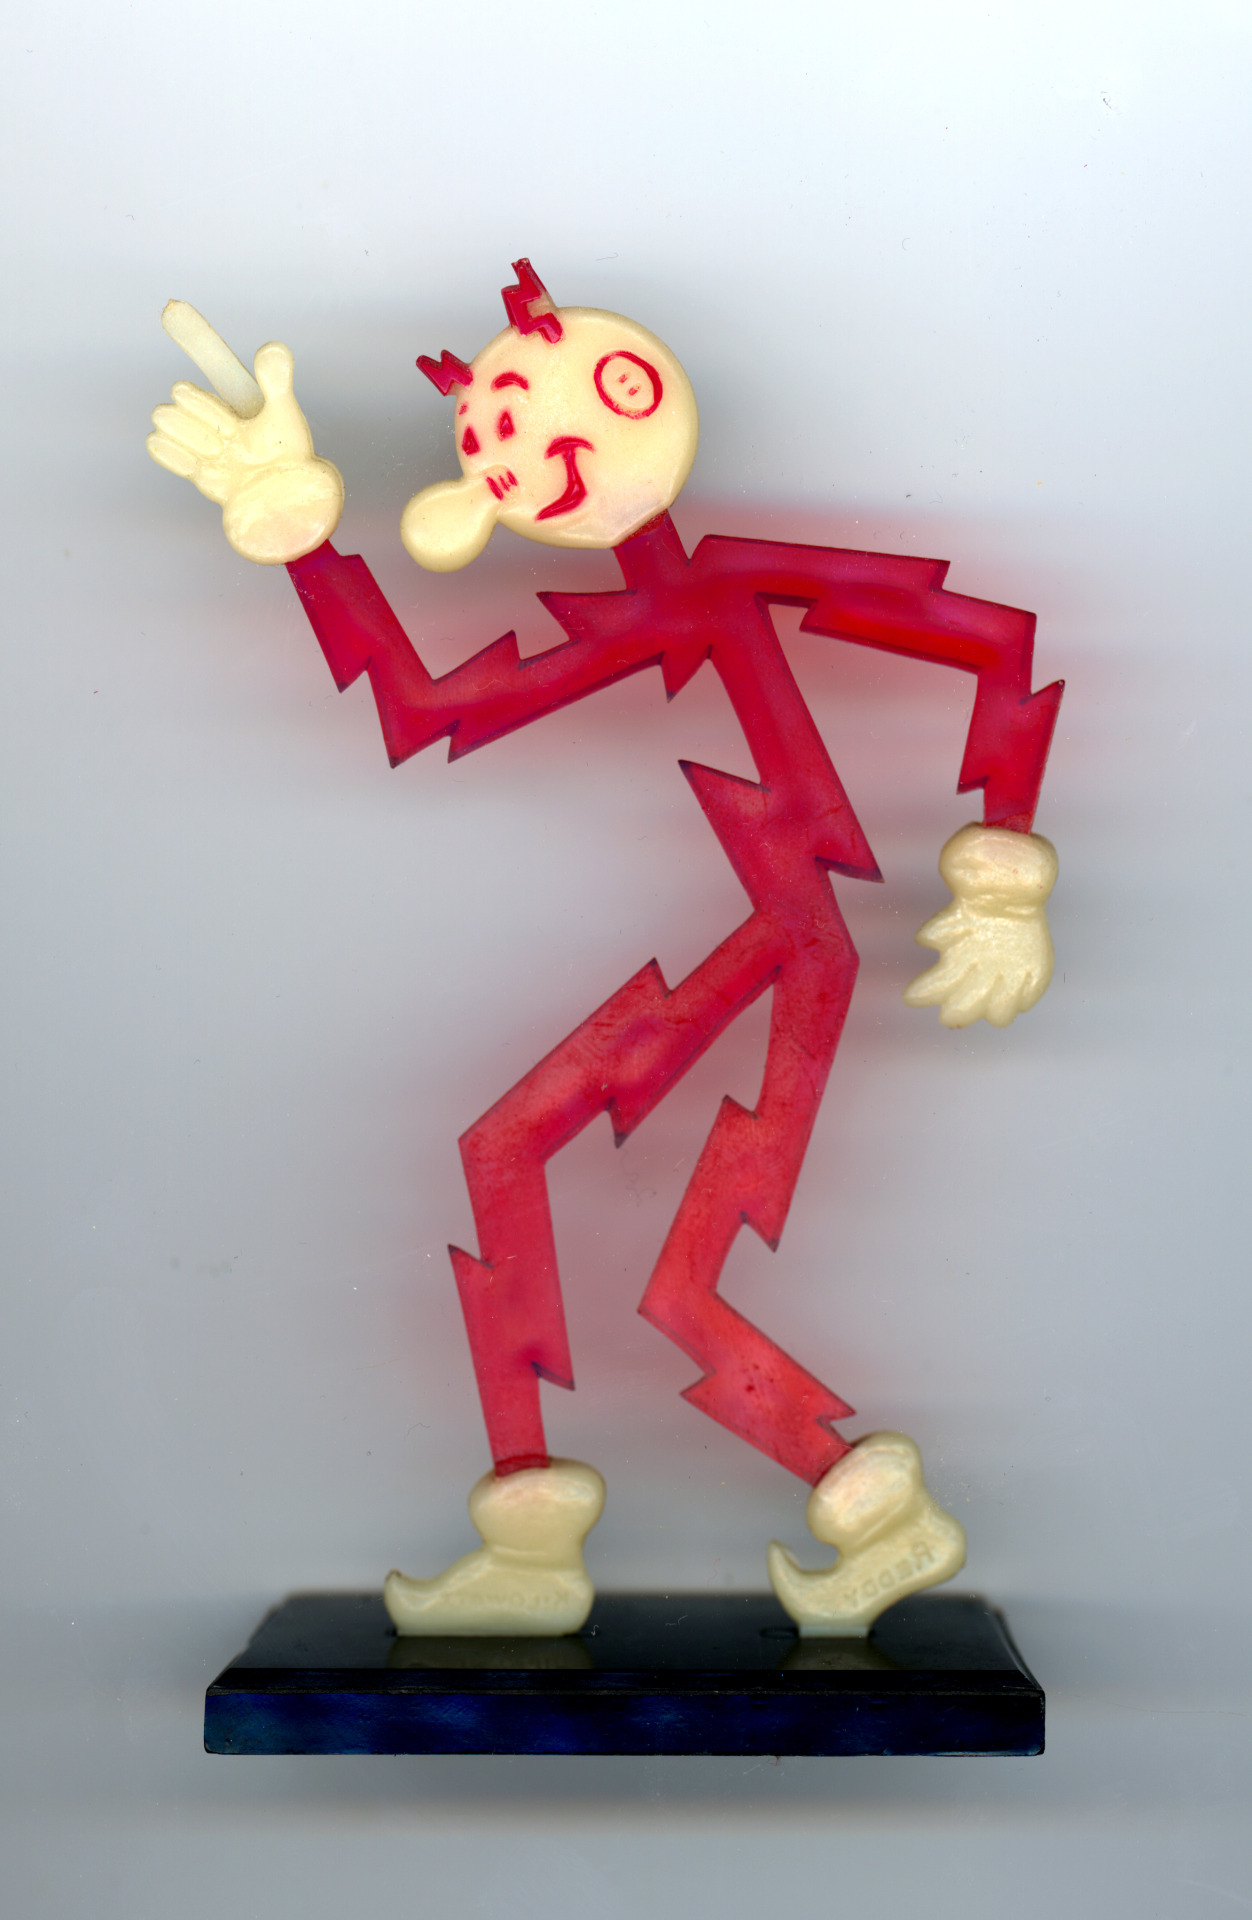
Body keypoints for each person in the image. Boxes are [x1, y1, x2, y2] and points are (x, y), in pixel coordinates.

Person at [147, 261, 1061, 1637]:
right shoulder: (633, 618)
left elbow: (990, 642)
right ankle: (583, 1535)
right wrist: (303, 543)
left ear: (634, 392)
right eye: (497, 435)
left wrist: (1003, 874)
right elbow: (425, 708)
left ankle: (805, 1520)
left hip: (789, 947)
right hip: (763, 945)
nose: (528, 451)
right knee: (547, 1187)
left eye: (540, 415)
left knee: (656, 1268)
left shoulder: (729, 582)